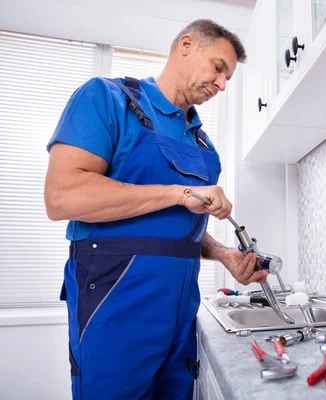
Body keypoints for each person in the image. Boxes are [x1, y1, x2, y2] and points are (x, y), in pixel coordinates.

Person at [44, 19, 268, 400]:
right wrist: (179, 192)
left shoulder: (204, 148)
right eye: (218, 68)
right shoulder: (107, 99)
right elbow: (62, 196)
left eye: (228, 77)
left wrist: (224, 253)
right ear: (186, 45)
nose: (222, 84)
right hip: (115, 310)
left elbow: (176, 229)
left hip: (180, 319)